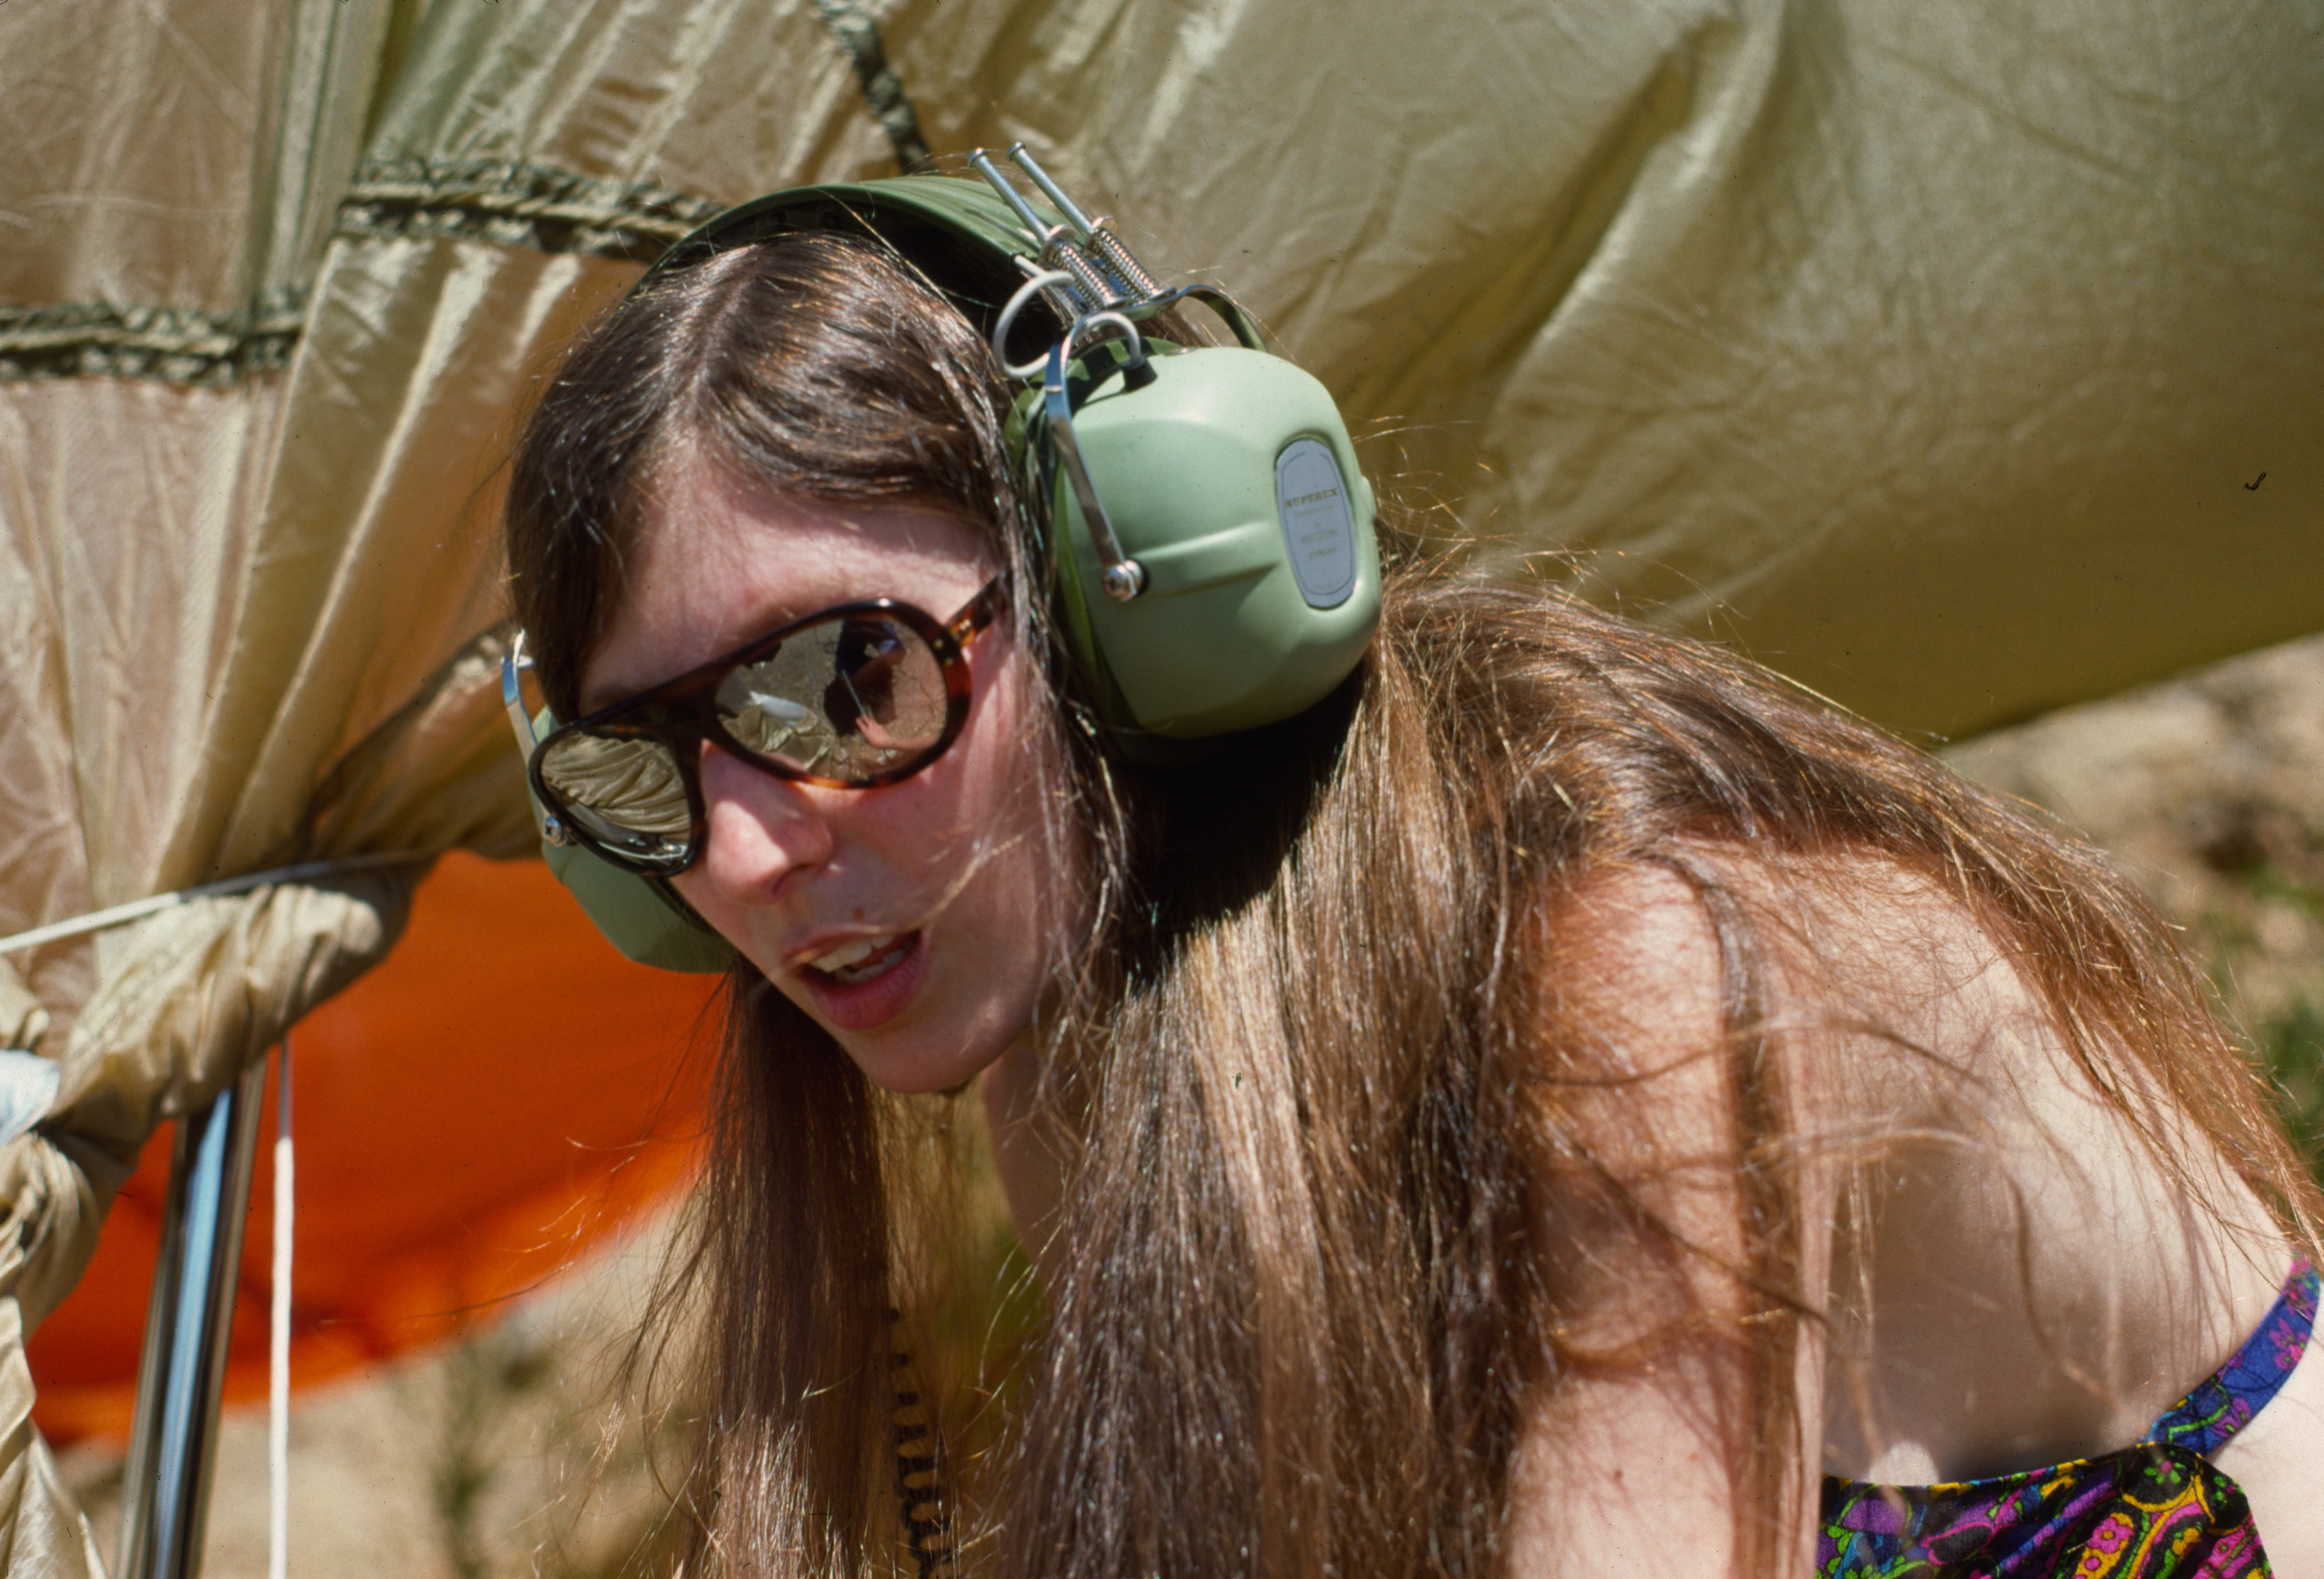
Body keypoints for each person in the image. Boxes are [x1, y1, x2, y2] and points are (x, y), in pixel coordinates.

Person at [498, 171, 2324, 1578]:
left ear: (1128, 580)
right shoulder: (1078, 1062)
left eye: (844, 679)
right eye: (642, 771)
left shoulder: (1611, 956)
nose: (739, 852)